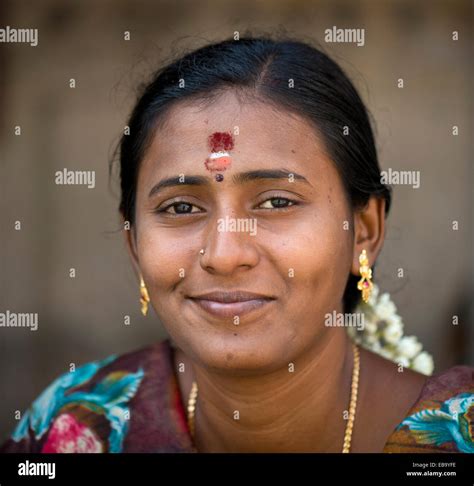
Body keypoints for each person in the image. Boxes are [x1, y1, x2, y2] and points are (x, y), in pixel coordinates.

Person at [1, 37, 472, 454]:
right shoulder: (73, 425)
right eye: (181, 208)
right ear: (134, 244)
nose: (224, 255)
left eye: (277, 201)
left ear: (364, 231)